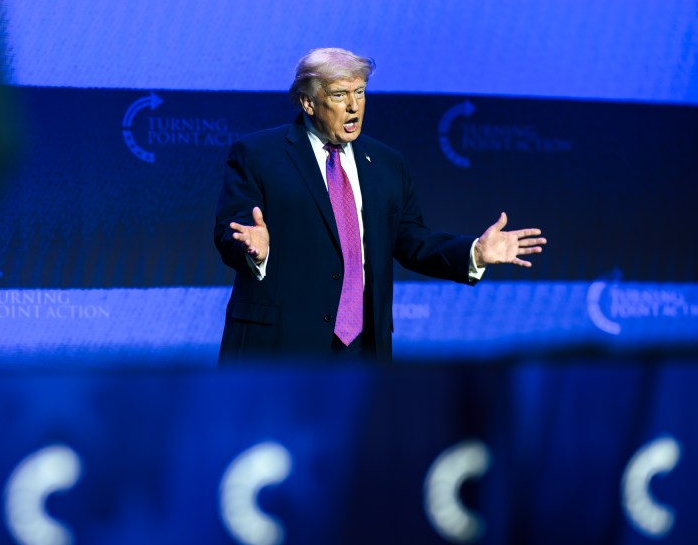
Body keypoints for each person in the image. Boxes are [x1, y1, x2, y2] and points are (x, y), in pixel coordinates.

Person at [213, 47, 546, 361]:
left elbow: (411, 240)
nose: (354, 106)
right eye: (339, 95)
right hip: (282, 347)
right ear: (308, 102)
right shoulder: (259, 154)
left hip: (363, 349)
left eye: (360, 92)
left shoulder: (386, 164)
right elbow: (234, 231)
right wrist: (254, 248)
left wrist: (473, 253)